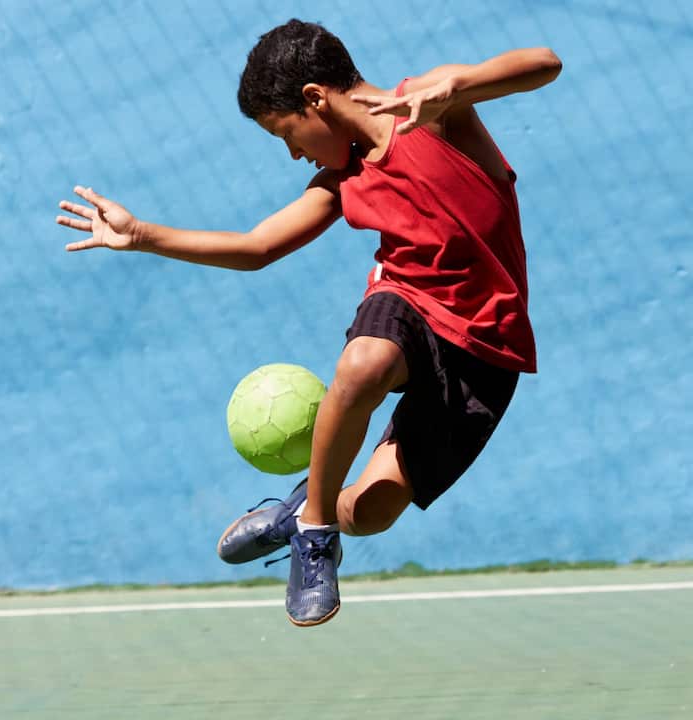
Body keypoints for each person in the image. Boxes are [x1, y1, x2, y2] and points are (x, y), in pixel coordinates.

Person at [56, 19, 562, 627]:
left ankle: (302, 511)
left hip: (486, 345)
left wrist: (459, 82)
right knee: (365, 360)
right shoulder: (342, 181)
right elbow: (256, 246)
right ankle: (317, 536)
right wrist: (142, 236)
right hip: (407, 304)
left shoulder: (432, 107)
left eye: (285, 133)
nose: (292, 151)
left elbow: (545, 61)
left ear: (314, 99)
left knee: (373, 511)